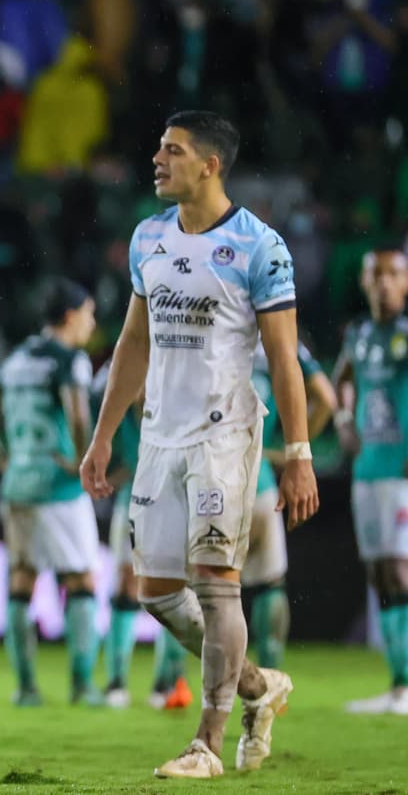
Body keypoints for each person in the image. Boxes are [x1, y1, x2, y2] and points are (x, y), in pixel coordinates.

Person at [81, 111, 318, 778]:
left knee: (216, 586)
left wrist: (298, 456)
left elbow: (285, 359)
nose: (157, 159)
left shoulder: (259, 247)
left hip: (224, 437)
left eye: (173, 150)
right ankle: (257, 686)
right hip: (158, 436)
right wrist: (103, 437)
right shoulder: (148, 237)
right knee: (155, 591)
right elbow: (133, 341)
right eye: (159, 147)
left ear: (211, 164)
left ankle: (207, 743)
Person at [0, 278, 103, 708]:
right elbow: (78, 415)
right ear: (69, 316)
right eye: (88, 313)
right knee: (80, 578)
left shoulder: (18, 359)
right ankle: (83, 687)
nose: (91, 322)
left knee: (23, 579)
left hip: (18, 482)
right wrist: (84, 458)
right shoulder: (69, 359)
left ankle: (26, 689)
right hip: (57, 484)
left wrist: (5, 461)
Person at [333, 246, 408, 715]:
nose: (383, 282)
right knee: (381, 573)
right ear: (364, 282)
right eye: (375, 274)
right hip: (367, 472)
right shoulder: (359, 335)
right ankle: (398, 684)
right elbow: (342, 376)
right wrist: (343, 417)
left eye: (393, 274)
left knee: (401, 570)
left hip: (402, 472)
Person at [95, 363, 192, 711]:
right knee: (125, 584)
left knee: (174, 588)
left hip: (175, 498)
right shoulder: (116, 380)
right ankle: (116, 680)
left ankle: (167, 680)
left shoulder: (181, 380)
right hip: (132, 498)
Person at [245, 340, 335, 669]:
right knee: (270, 584)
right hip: (261, 485)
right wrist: (292, 452)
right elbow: (327, 398)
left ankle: (170, 683)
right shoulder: (280, 342)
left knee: (205, 587)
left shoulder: (213, 326)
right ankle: (270, 680)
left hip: (213, 484)